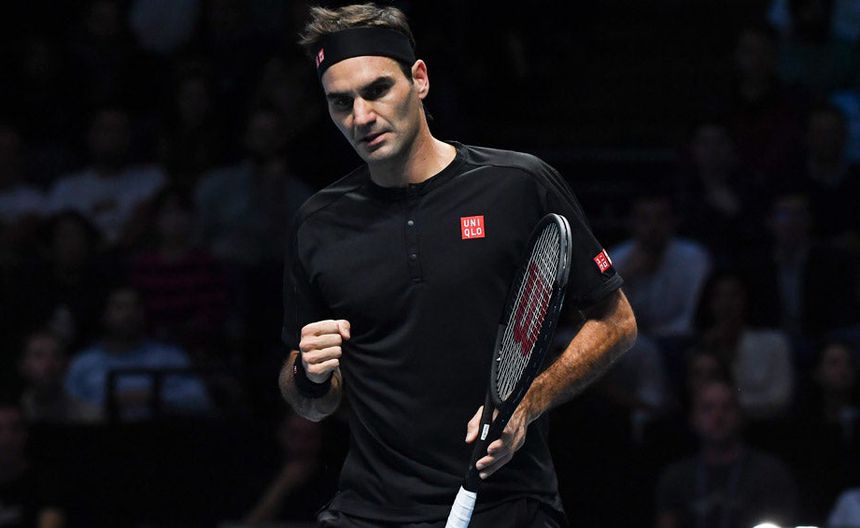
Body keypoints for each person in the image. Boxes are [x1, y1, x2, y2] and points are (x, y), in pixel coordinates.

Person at [279, 4, 637, 526]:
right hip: (370, 509)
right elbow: (312, 403)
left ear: (419, 79)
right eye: (341, 102)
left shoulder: (518, 185)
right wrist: (308, 375)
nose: (361, 116)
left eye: (377, 90)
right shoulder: (317, 224)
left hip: (508, 504)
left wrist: (528, 403)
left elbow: (616, 322)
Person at [655, 380, 798, 528]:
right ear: (693, 418)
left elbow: (782, 522)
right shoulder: (676, 477)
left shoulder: (769, 473)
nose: (718, 416)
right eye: (707, 408)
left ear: (741, 415)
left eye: (727, 407)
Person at [65, 285, 212, 421]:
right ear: (104, 314)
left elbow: (200, 402)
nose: (129, 314)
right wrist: (102, 407)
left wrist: (154, 397)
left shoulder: (170, 357)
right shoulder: (83, 363)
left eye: (136, 307)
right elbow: (65, 409)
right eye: (120, 307)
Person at [610, 194, 711, 339]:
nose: (653, 227)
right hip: (634, 341)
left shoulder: (694, 257)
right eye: (645, 219)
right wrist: (625, 275)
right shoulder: (616, 259)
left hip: (682, 337)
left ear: (673, 221)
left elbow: (694, 312)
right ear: (632, 222)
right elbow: (607, 314)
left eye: (661, 218)